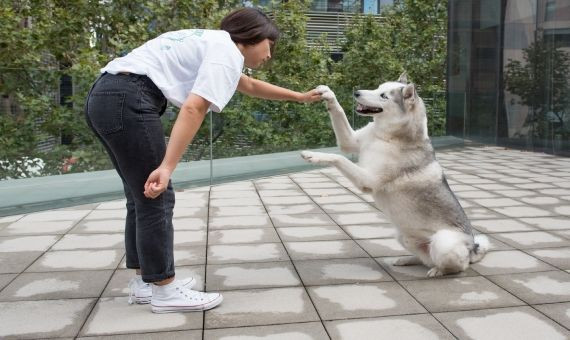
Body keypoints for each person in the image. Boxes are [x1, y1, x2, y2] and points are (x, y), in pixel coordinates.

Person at [85, 7, 321, 313]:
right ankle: (165, 291)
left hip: (105, 95)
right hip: (129, 99)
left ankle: (146, 282)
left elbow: (247, 85)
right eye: (269, 46)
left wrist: (299, 96)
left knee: (141, 195)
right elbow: (194, 109)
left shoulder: (211, 43)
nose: (269, 55)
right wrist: (167, 166)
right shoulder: (226, 52)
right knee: (157, 194)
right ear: (253, 37)